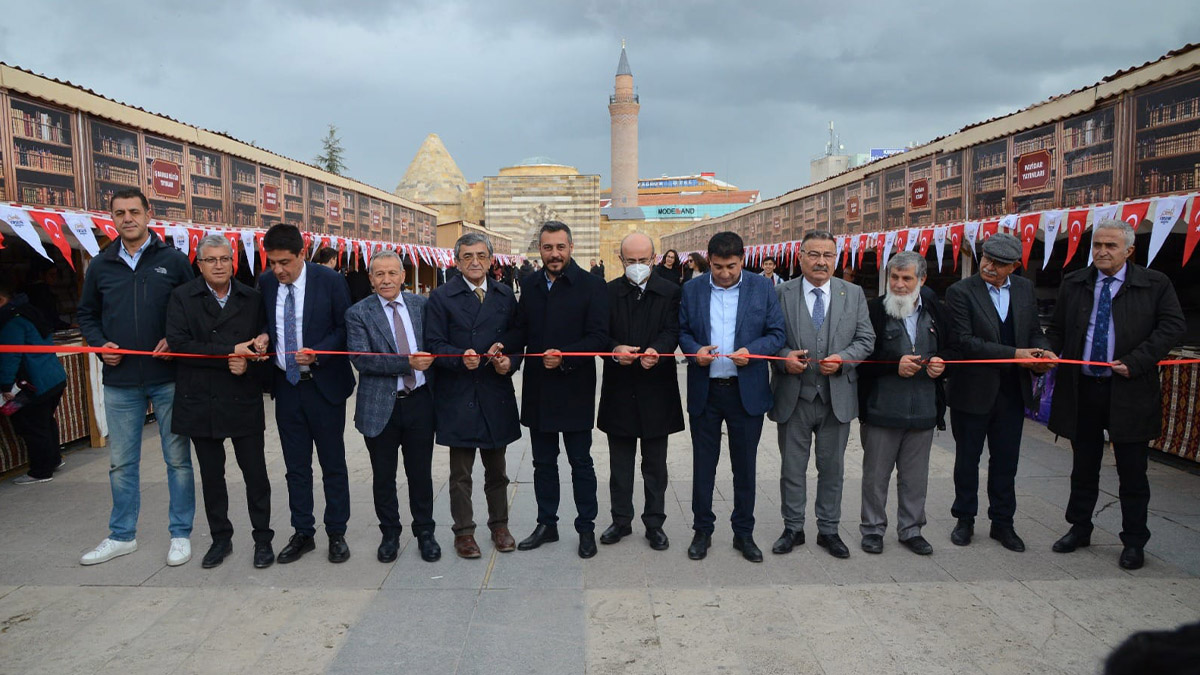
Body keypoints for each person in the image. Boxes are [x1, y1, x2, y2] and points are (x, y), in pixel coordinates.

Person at [1046, 219, 1185, 570]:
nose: (1102, 252)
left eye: (1110, 246)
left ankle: (1134, 540)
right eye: (1097, 246)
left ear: (1129, 251)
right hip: (1084, 389)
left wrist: (1137, 361)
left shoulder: (1154, 284)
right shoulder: (1076, 282)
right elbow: (1058, 330)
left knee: (1133, 471)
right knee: (1083, 466)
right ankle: (1079, 528)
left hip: (1129, 390)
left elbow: (1172, 326)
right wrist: (1046, 352)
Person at [77, 187, 195, 566]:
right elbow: (87, 315)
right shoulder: (100, 265)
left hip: (167, 378)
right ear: (111, 218)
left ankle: (180, 533)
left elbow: (193, 308)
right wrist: (99, 344)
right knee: (121, 463)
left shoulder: (174, 261)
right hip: (120, 381)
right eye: (119, 213)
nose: (127, 218)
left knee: (177, 460)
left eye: (133, 211)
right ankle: (122, 535)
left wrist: (174, 339)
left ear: (148, 213)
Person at [500, 221, 609, 558]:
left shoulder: (591, 285)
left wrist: (565, 359)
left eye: (560, 247)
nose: (554, 254)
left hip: (574, 387)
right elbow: (522, 330)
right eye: (548, 248)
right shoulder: (531, 284)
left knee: (581, 462)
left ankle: (586, 527)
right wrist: (505, 347)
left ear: (571, 247)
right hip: (538, 388)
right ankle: (547, 523)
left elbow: (599, 337)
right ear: (540, 250)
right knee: (543, 463)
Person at [165, 235, 274, 569]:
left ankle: (262, 539)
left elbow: (264, 345)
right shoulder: (182, 297)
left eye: (224, 259)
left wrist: (252, 357)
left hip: (241, 397)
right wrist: (229, 352)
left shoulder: (252, 297)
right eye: (210, 260)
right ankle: (220, 539)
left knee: (255, 473)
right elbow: (180, 345)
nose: (218, 265)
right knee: (212, 476)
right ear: (199, 264)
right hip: (200, 397)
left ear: (233, 262)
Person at [678, 231, 786, 562]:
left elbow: (776, 333)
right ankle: (702, 530)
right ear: (707, 261)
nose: (725, 274)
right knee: (703, 466)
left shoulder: (762, 288)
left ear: (743, 260)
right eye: (718, 266)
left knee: (745, 467)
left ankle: (743, 533)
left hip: (745, 393)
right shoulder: (692, 289)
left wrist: (752, 352)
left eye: (732, 266)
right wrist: (695, 351)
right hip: (706, 391)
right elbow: (682, 331)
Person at [945, 232, 1055, 552]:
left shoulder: (1024, 289)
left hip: (1011, 391)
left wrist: (1041, 354)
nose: (990, 266)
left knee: (1006, 461)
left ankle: (1002, 523)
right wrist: (1015, 354)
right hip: (973, 390)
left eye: (1000, 263)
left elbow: (1034, 330)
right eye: (987, 258)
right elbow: (965, 342)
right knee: (967, 459)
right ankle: (964, 519)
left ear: (1015, 266)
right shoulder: (960, 291)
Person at [769, 230, 875, 560]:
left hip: (836, 399)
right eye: (813, 254)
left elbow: (866, 339)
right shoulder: (780, 294)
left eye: (827, 255)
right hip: (794, 397)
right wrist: (784, 357)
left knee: (832, 469)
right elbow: (769, 338)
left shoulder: (853, 294)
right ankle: (793, 528)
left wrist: (844, 360)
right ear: (799, 257)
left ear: (837, 259)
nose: (820, 261)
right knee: (792, 469)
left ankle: (828, 529)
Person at [259, 223, 357, 564]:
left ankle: (337, 533)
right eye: (272, 262)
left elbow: (345, 328)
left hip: (324, 386)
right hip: (287, 388)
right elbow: (264, 322)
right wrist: (263, 338)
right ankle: (303, 531)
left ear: (302, 254)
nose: (278, 270)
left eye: (285, 262)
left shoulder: (329, 281)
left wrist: (320, 352)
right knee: (295, 466)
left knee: (333, 463)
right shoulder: (267, 283)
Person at [425, 232, 522, 559]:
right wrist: (458, 358)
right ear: (456, 261)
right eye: (467, 256)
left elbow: (516, 339)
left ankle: (500, 525)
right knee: (461, 473)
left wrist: (509, 362)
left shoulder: (505, 295)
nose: (475, 262)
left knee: (497, 470)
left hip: (495, 391)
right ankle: (464, 532)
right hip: (459, 393)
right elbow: (434, 344)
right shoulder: (441, 297)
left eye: (481, 255)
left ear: (491, 259)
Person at [856, 251, 954, 556]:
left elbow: (952, 348)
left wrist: (942, 364)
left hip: (923, 409)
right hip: (881, 408)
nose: (899, 285)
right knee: (875, 477)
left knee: (915, 478)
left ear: (921, 280)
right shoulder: (874, 310)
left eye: (906, 278)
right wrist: (892, 365)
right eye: (894, 277)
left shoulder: (936, 310)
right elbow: (860, 358)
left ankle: (911, 530)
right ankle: (872, 530)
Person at [346, 250, 441, 563]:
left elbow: (436, 345)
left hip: (419, 404)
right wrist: (406, 363)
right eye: (379, 274)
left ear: (403, 276)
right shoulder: (358, 313)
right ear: (371, 279)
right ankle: (390, 533)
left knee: (420, 474)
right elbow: (361, 358)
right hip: (380, 407)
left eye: (391, 273)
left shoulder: (422, 306)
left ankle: (425, 532)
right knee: (383, 475)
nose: (386, 280)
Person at [597, 233, 683, 551]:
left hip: (656, 388)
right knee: (620, 465)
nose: (637, 266)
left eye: (643, 260)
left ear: (654, 258)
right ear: (621, 260)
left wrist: (658, 350)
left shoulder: (670, 291)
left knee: (655, 465)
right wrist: (613, 349)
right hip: (619, 389)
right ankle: (620, 521)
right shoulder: (607, 293)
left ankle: (654, 523)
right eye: (630, 261)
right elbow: (599, 334)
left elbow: (673, 329)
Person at [0, 286, 67, 485]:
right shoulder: (28, 310)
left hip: (33, 382)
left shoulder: (10, 321)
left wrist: (4, 385)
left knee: (33, 426)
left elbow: (10, 356)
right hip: (52, 377)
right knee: (45, 422)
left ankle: (41, 471)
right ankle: (53, 460)